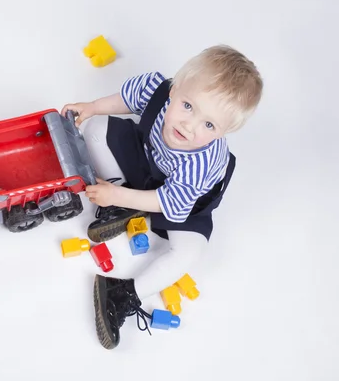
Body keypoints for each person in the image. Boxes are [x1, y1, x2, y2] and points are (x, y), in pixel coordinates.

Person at [60, 45, 263, 349]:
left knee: (188, 252)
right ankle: (122, 206)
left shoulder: (200, 163)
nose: (189, 126)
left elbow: (164, 202)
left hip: (184, 199)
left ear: (223, 132)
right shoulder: (158, 89)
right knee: (97, 128)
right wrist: (91, 107)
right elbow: (124, 100)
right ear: (175, 88)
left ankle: (123, 294)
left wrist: (116, 193)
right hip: (147, 164)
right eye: (188, 106)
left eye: (209, 125)